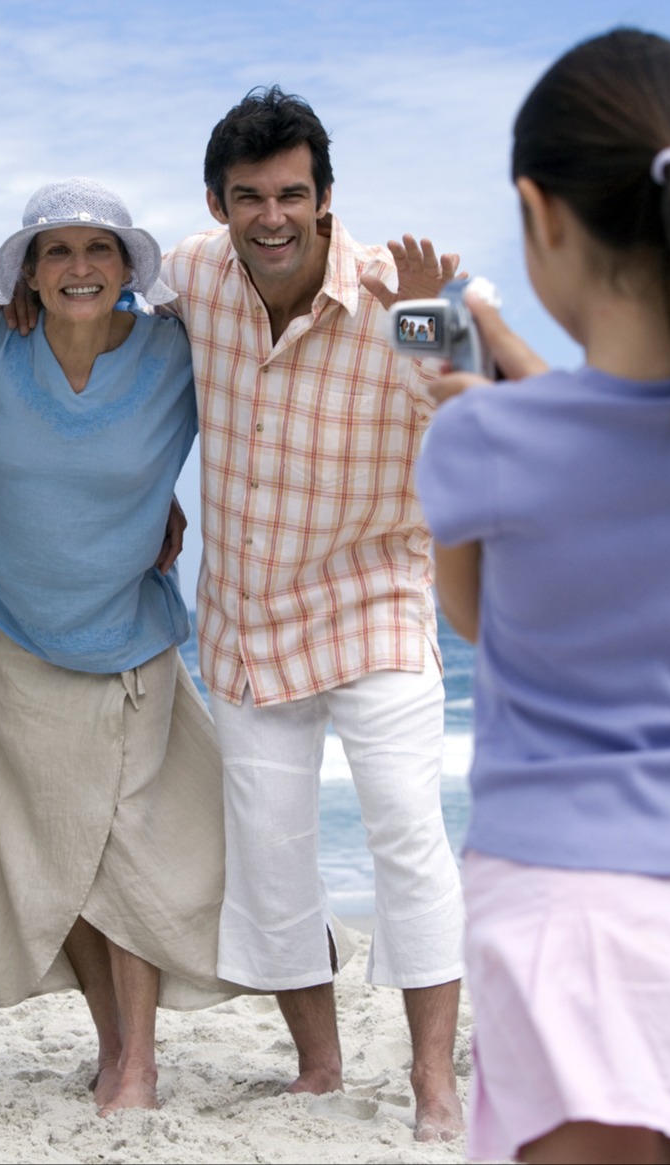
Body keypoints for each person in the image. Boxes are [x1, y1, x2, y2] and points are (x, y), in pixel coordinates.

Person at [415, 29, 670, 1165]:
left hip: (553, 895)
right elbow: (636, 434)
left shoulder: (479, 439)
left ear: (538, 212)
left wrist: (483, 372)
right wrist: (507, 357)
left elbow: (473, 617)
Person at [160, 86, 467, 1138]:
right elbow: (92, 308)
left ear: (327, 199)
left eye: (292, 193)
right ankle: (319, 1065)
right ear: (218, 203)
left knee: (405, 833)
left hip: (376, 597)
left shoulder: (398, 291)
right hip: (247, 614)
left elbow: (475, 416)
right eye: (249, 197)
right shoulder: (193, 273)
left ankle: (434, 1082)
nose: (272, 216)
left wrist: (437, 322)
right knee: (271, 850)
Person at [0, 179, 237, 1116]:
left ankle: (138, 1065)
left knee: (126, 849)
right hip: (12, 631)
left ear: (126, 268)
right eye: (55, 250)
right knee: (49, 852)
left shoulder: (172, 351)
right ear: (26, 271)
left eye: (97, 249)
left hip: (126, 632)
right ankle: (112, 1046)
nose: (78, 268)